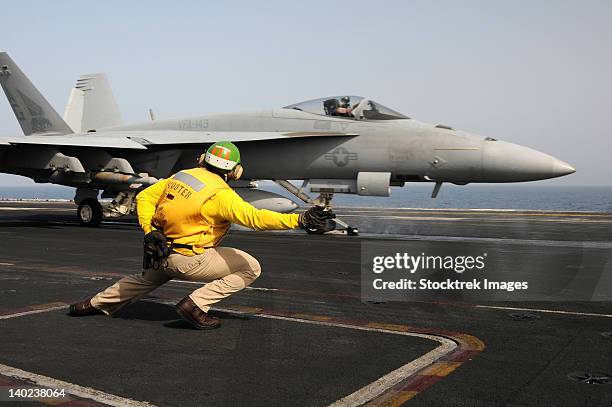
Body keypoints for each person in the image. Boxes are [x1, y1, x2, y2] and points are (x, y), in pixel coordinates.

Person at [69, 141, 335, 329]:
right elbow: (256, 218)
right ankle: (195, 305)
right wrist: (300, 219)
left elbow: (146, 195)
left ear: (202, 159)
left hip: (161, 253)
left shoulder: (181, 176)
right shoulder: (221, 195)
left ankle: (92, 304)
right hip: (189, 259)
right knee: (250, 267)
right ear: (235, 171)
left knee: (145, 279)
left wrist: (150, 231)